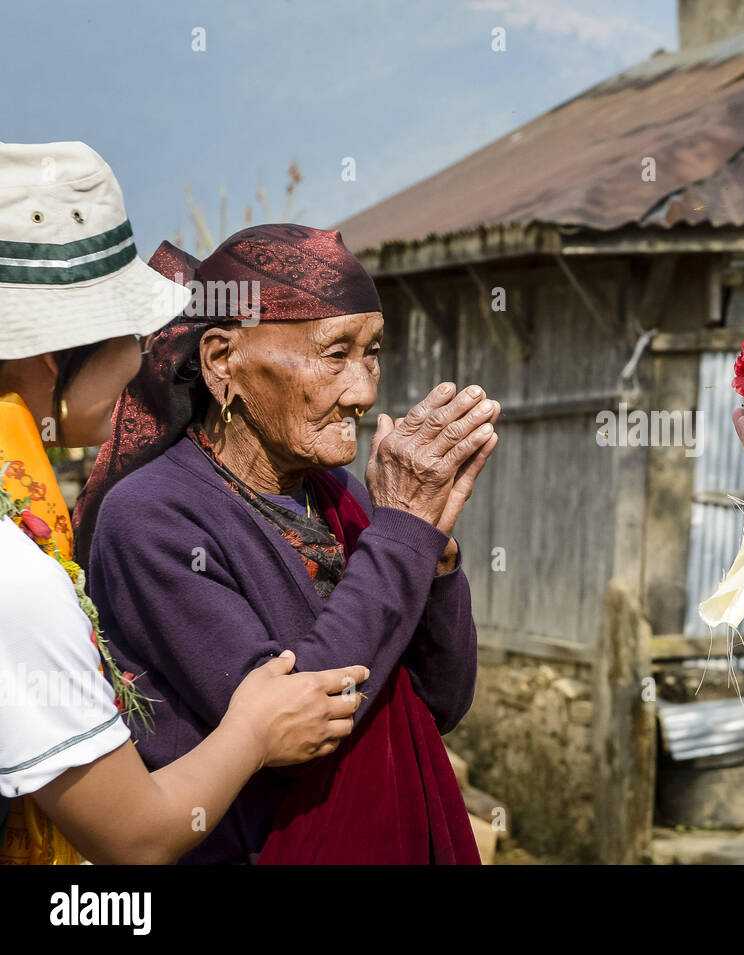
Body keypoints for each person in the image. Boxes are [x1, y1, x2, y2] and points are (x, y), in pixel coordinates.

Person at [76, 223, 498, 865]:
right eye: (336, 354)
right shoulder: (152, 518)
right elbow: (301, 726)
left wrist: (432, 558)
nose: (364, 390)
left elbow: (441, 701)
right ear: (223, 362)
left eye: (373, 352)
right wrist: (401, 536)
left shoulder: (345, 498)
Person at [0, 140, 370, 865]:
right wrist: (252, 733)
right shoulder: (25, 577)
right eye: (130, 339)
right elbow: (137, 839)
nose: (145, 363)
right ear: (57, 354)